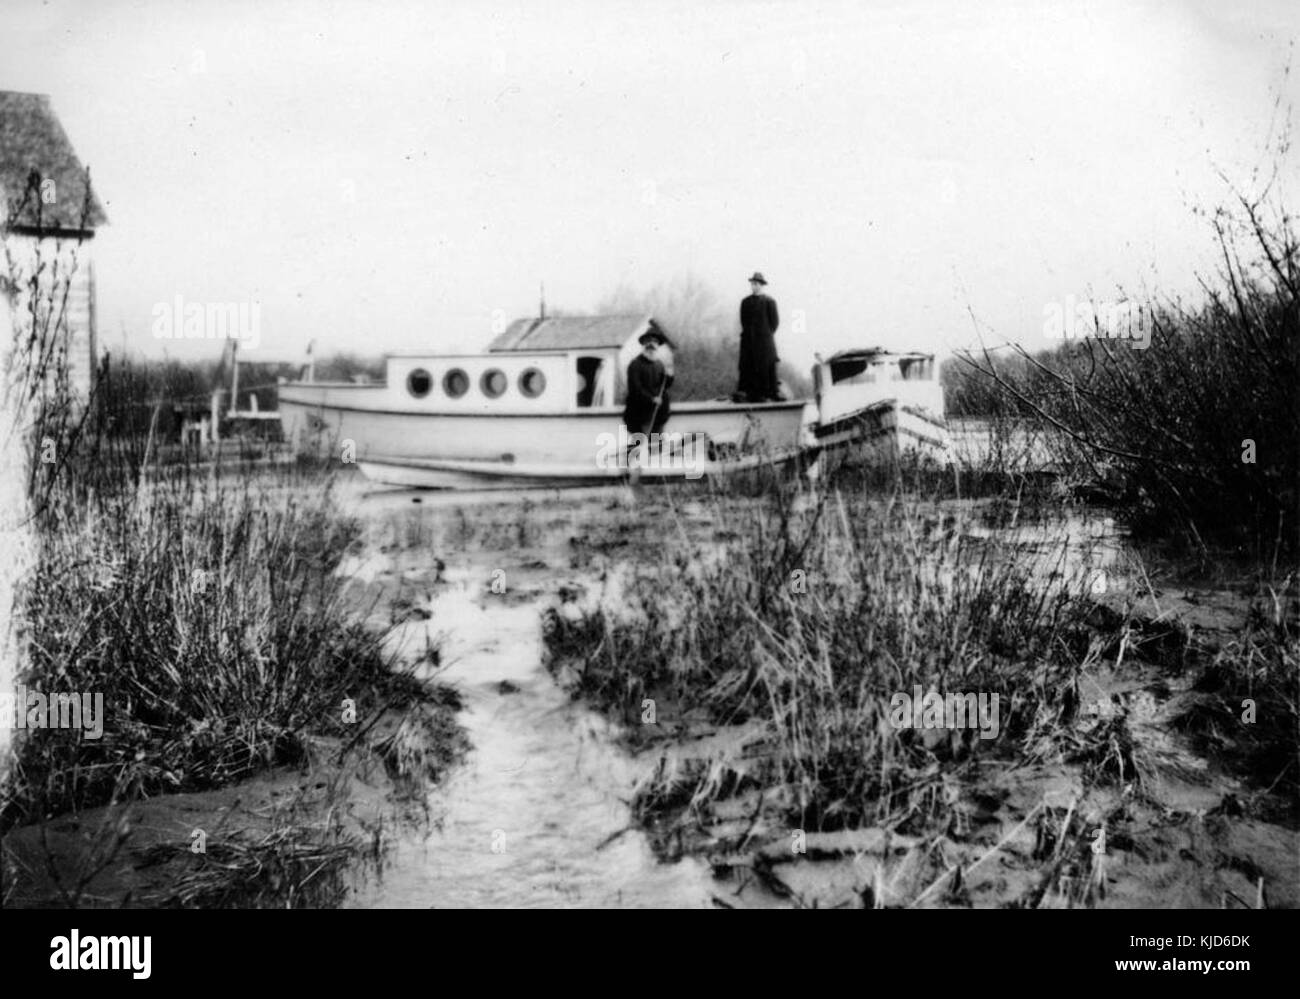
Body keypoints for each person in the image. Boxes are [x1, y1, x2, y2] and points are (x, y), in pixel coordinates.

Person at [736, 271, 780, 402]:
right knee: (749, 366)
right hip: (749, 341)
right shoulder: (745, 302)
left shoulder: (769, 301)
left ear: (762, 285)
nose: (754, 286)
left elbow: (775, 322)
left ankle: (768, 393)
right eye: (752, 284)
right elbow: (743, 320)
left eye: (756, 284)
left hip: (765, 342)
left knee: (766, 366)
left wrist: (765, 335)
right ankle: (751, 394)